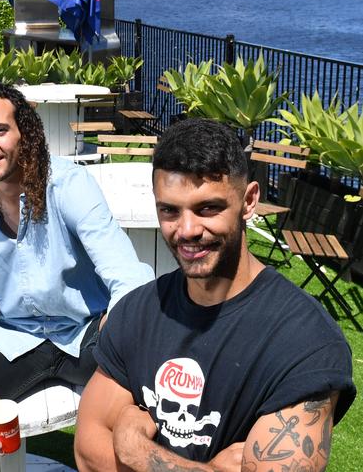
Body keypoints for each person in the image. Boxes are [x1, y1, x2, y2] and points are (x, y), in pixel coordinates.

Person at [75, 118, 356, 472]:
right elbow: (87, 451)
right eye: (170, 211)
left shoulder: (306, 344)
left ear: (249, 200)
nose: (188, 230)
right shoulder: (137, 311)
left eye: (208, 208)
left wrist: (136, 450)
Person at [0, 82, 154, 471]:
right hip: (17, 336)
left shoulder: (67, 185)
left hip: (88, 331)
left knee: (133, 426)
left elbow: (128, 280)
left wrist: (114, 340)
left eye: (0, 130)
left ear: (26, 134)